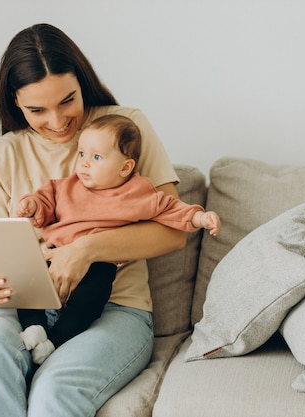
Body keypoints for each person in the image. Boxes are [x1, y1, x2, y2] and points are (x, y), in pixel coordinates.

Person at [0, 23, 193, 417]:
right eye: (36, 110)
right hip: (26, 308)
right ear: (15, 103)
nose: (57, 120)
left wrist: (86, 249)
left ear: (82, 83)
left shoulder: (125, 127)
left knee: (55, 387)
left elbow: (175, 232)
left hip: (115, 308)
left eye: (67, 100)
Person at [15, 114, 220, 365]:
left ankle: (54, 341)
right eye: (81, 154)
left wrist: (199, 218)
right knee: (29, 287)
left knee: (89, 302)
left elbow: (169, 209)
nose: (85, 164)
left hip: (99, 264)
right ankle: (33, 326)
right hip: (56, 254)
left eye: (96, 157)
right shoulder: (66, 186)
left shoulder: (136, 192)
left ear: (125, 167)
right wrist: (32, 206)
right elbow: (45, 202)